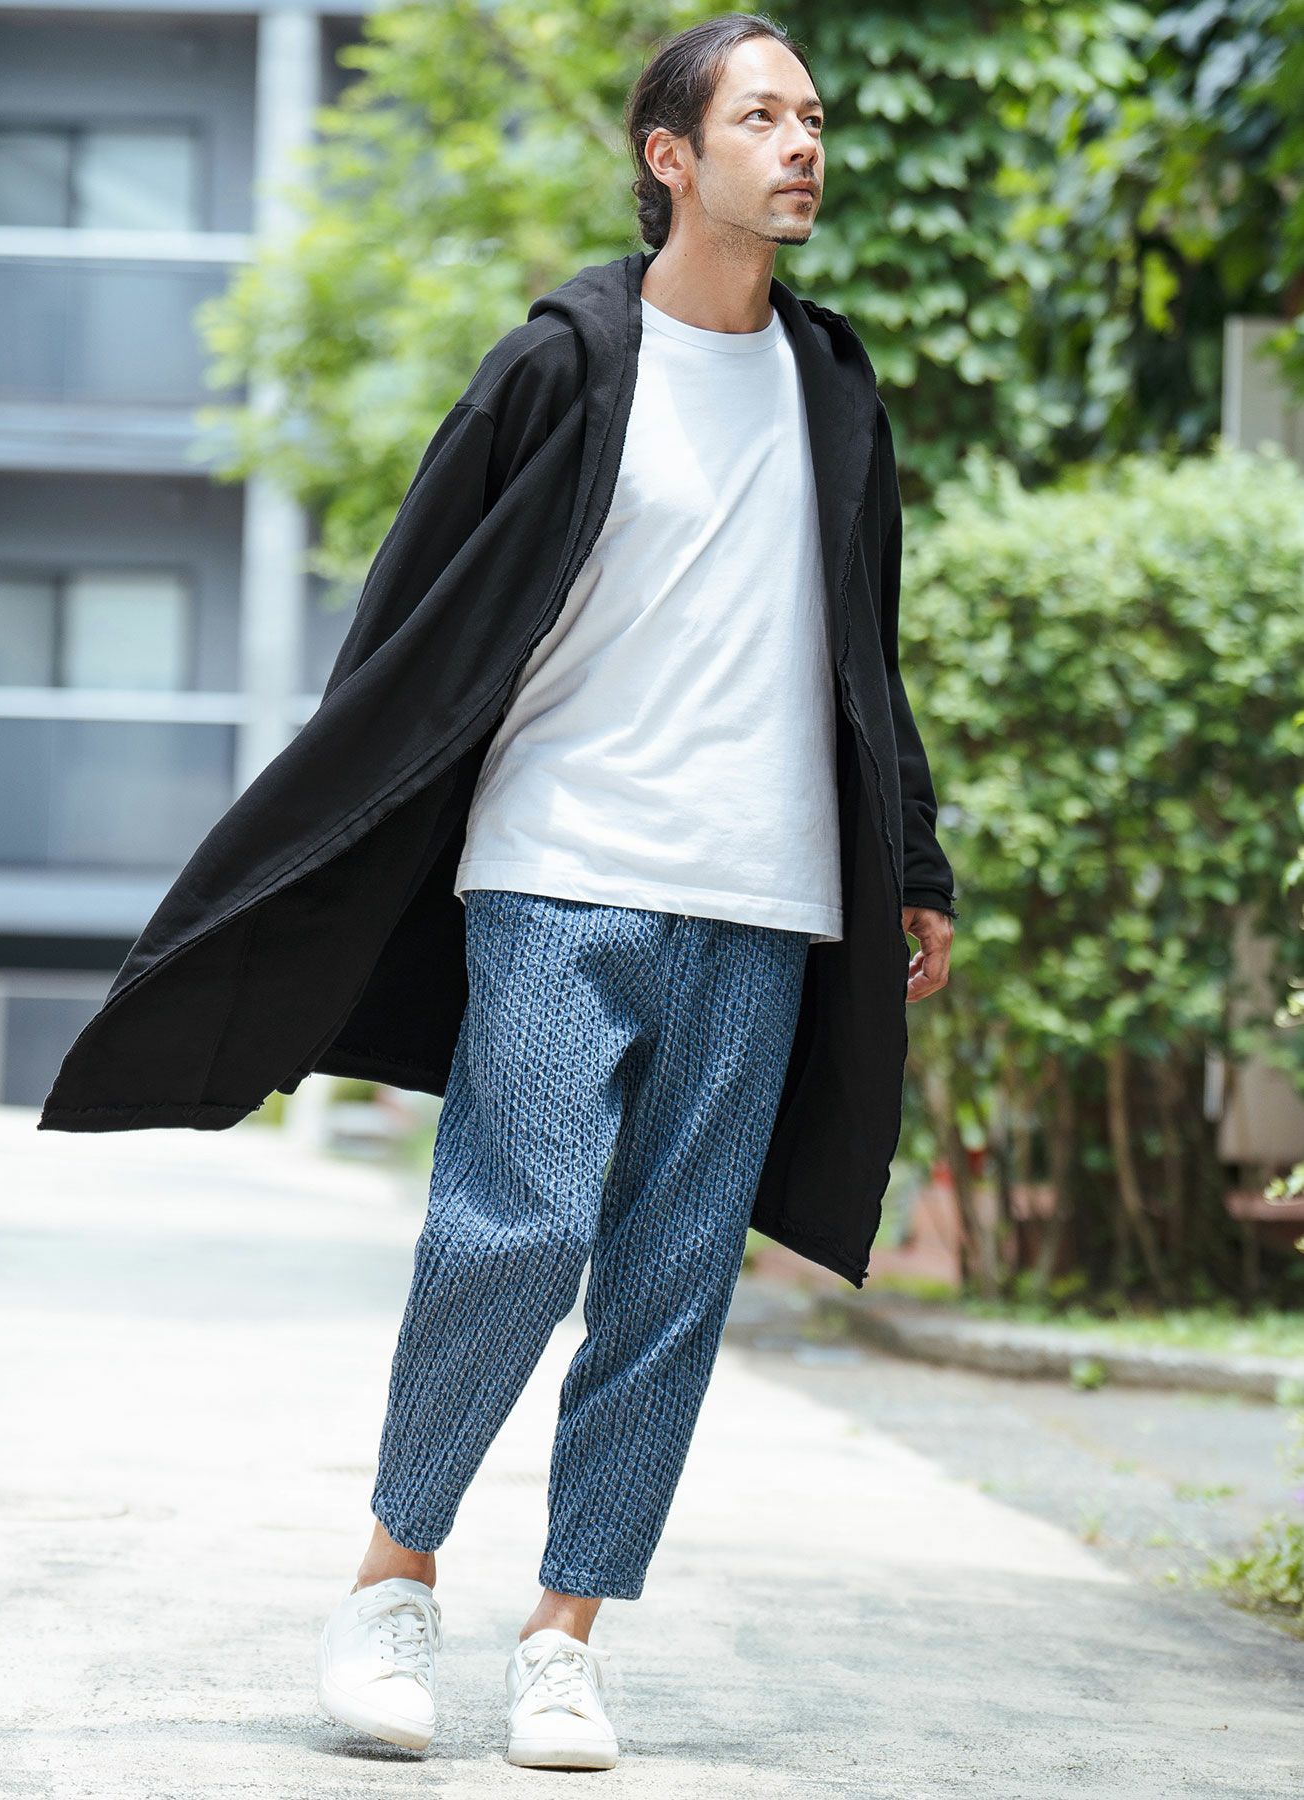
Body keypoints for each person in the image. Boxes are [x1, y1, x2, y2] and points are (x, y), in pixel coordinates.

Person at [311, 12, 956, 1772]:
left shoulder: (833, 389)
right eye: (762, 118)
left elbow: (867, 648)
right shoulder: (563, 363)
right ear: (671, 156)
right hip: (558, 866)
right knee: (513, 1231)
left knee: (671, 1281)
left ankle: (567, 1633)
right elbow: (413, 611)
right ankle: (391, 1579)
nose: (802, 145)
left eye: (812, 118)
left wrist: (910, 858)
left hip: (761, 892)